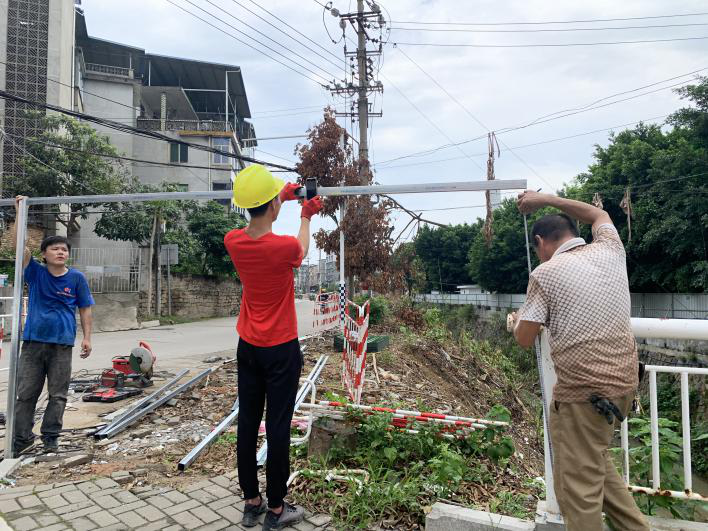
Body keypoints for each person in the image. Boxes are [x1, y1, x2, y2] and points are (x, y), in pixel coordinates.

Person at [511, 191, 649, 531]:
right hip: (624, 385)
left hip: (584, 396)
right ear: (574, 233)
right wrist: (545, 199)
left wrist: (515, 322)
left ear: (541, 242)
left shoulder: (546, 273)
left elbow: (525, 338)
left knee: (577, 493)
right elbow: (595, 214)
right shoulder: (611, 248)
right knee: (596, 467)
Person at [224, 165, 322, 530]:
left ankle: (252, 502)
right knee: (277, 425)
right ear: (272, 208)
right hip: (280, 348)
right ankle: (277, 510)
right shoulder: (283, 248)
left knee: (248, 422)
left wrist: (278, 197)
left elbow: (259, 224)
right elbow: (300, 247)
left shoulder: (232, 240)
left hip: (247, 346)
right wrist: (306, 215)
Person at [8, 196, 94, 454]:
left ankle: (50, 439)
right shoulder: (35, 272)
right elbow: (17, 248)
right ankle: (22, 441)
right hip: (34, 344)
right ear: (44, 254)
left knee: (58, 395)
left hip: (62, 345)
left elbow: (85, 308)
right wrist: (20, 212)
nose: (60, 252)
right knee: (26, 395)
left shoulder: (77, 278)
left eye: (64, 249)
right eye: (55, 249)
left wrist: (87, 337)